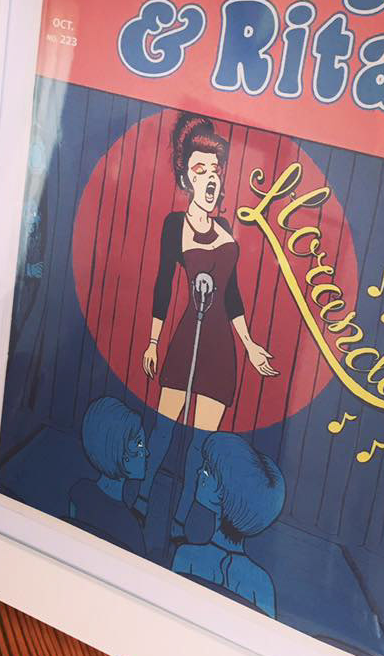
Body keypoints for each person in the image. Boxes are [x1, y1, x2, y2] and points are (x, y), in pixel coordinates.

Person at [134, 113, 277, 541]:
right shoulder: (174, 226)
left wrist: (250, 345)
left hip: (220, 350)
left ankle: (181, 519)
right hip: (184, 340)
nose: (211, 177)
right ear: (186, 178)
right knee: (164, 428)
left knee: (200, 442)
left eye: (215, 169)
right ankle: (141, 497)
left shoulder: (227, 229)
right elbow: (163, 284)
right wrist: (153, 341)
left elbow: (232, 296)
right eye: (201, 169)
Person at [172, 433, 285, 618]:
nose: (199, 472)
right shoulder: (263, 585)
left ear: (222, 494)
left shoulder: (187, 556)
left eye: (207, 470)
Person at [69, 397, 147, 557]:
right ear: (119, 450)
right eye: (139, 444)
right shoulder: (132, 530)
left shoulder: (79, 491)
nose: (146, 452)